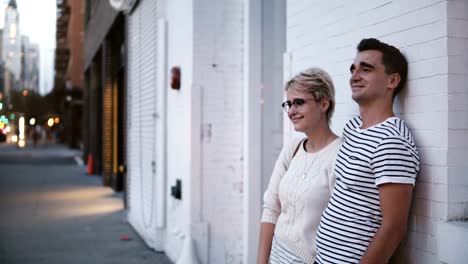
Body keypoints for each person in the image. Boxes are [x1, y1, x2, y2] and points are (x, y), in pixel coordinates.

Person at [314, 38, 420, 264]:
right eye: (353, 69)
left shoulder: (392, 141)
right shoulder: (352, 128)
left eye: (366, 69)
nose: (354, 76)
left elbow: (394, 227)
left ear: (392, 80)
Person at [257, 67, 343, 264]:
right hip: (275, 255)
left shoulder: (340, 155)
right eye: (288, 104)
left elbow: (343, 227)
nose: (291, 111)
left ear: (324, 104)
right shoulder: (293, 147)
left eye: (299, 103)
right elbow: (271, 207)